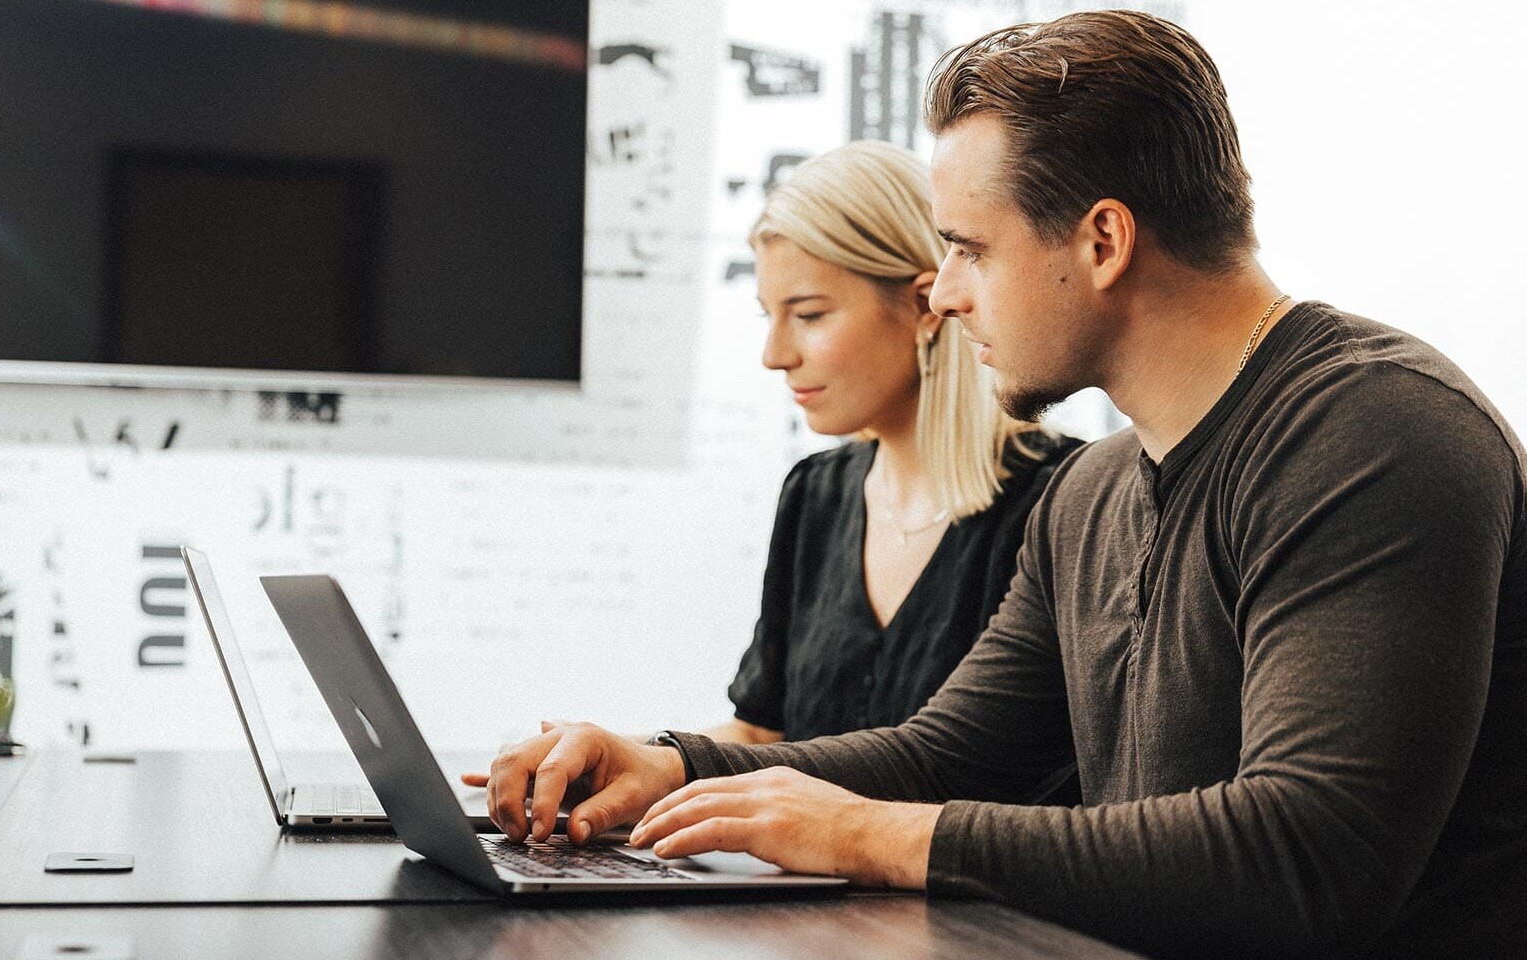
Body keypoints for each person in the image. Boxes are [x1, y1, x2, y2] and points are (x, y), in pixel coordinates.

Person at [483, 11, 1527, 959]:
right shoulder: (1097, 492)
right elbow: (955, 751)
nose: (943, 293)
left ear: (1103, 241)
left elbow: (1305, 857)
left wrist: (868, 835)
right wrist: (675, 767)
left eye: (969, 250)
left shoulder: (1378, 431)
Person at [467, 141, 1078, 786]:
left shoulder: (1063, 502)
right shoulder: (816, 494)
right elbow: (762, 731)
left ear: (925, 307)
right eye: (769, 317)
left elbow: (986, 773)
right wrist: (609, 761)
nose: (775, 354)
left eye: (809, 315)